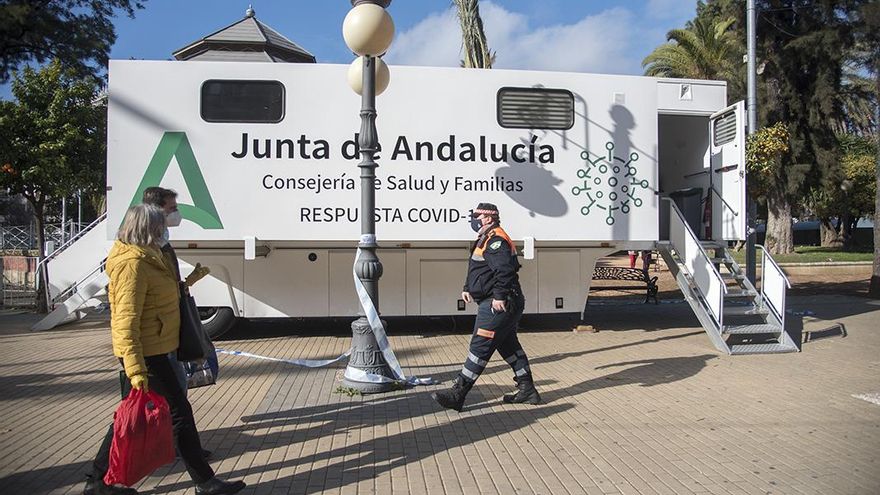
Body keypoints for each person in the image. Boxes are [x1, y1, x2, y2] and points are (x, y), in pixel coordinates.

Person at [83, 205, 244, 495]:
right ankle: (205, 482)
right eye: (160, 228)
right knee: (178, 414)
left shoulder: (149, 256)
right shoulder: (132, 263)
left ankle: (96, 482)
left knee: (129, 418)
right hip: (147, 354)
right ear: (147, 229)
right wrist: (135, 369)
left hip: (159, 348)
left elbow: (158, 299)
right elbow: (125, 320)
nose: (164, 232)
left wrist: (188, 283)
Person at [432, 202, 540, 412]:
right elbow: (478, 267)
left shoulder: (496, 240)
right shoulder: (486, 238)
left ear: (489, 218)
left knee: (480, 347)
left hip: (497, 304)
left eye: (477, 216)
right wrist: (467, 287)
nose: (473, 220)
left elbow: (505, 271)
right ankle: (528, 390)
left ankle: (458, 393)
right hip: (495, 301)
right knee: (508, 346)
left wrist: (499, 296)